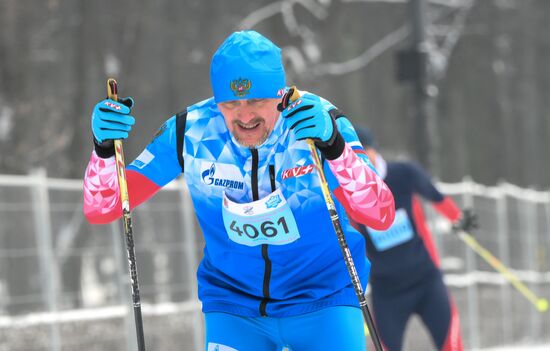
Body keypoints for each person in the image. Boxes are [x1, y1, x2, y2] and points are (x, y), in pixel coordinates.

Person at [83, 30, 395, 351]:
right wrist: (104, 150)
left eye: (256, 100)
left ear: (280, 94)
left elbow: (379, 213)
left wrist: (335, 147)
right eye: (231, 103)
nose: (244, 115)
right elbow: (104, 206)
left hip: (323, 299)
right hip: (233, 305)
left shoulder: (315, 122)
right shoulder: (191, 132)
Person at [354, 127, 477, 351]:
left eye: (364, 152)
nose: (362, 160)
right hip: (387, 291)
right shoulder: (350, 193)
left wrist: (457, 218)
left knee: (452, 346)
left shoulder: (404, 173)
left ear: (374, 150)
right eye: (354, 156)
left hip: (425, 280)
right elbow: (351, 237)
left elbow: (435, 196)